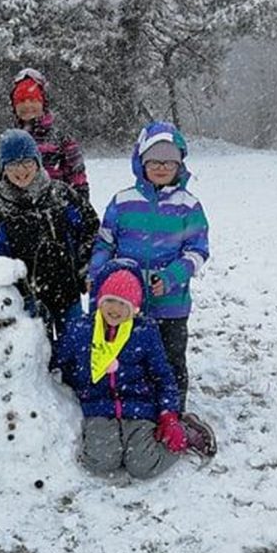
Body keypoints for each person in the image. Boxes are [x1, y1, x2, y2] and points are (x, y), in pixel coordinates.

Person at [54, 260, 215, 478]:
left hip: (138, 407)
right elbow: (56, 357)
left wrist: (169, 415)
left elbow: (163, 377)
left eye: (124, 304)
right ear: (100, 301)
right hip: (98, 407)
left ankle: (187, 432)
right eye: (110, 300)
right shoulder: (81, 330)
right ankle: (116, 447)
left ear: (135, 308)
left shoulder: (144, 332)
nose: (115, 309)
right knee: (100, 463)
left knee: (143, 466)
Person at [88, 121, 209, 410]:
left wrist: (170, 277)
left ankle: (172, 411)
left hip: (170, 304)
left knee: (170, 360)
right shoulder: (123, 201)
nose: (161, 167)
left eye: (169, 161)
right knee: (130, 358)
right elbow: (105, 243)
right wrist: (97, 273)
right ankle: (136, 410)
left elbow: (197, 251)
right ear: (140, 162)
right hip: (124, 302)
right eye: (154, 160)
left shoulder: (188, 206)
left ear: (179, 164)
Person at [0, 129, 99, 341]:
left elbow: (90, 229)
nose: (21, 170)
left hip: (67, 291)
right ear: (4, 168)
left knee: (77, 346)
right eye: (13, 164)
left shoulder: (61, 195)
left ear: (38, 162)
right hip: (27, 299)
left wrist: (85, 267)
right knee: (38, 354)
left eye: (27, 163)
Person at [9, 67, 90, 201]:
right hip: (21, 212)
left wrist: (81, 205)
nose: (27, 106)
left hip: (56, 209)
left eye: (33, 100)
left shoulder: (61, 138)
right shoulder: (11, 139)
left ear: (43, 103)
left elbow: (77, 175)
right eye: (21, 101)